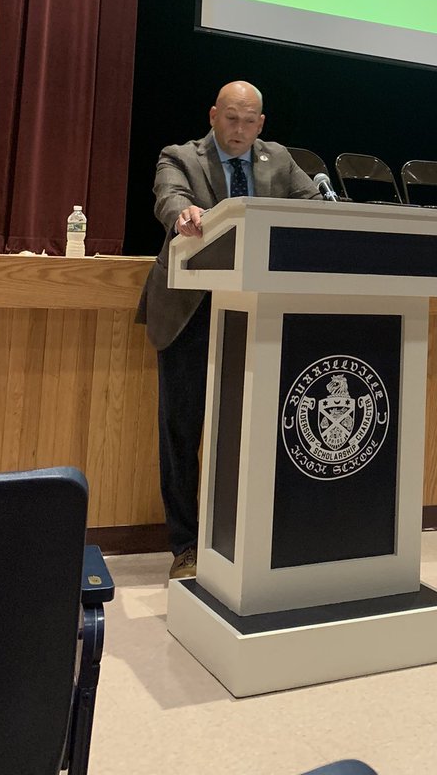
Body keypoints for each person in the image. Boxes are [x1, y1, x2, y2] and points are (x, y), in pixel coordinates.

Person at [137, 81, 320, 578]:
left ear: (262, 124)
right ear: (214, 115)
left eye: (249, 122)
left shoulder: (278, 160)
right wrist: (184, 217)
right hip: (191, 311)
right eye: (231, 119)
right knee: (182, 429)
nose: (238, 131)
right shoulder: (180, 156)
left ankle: (249, 538)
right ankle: (186, 546)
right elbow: (169, 199)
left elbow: (313, 207)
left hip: (259, 311)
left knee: (257, 427)